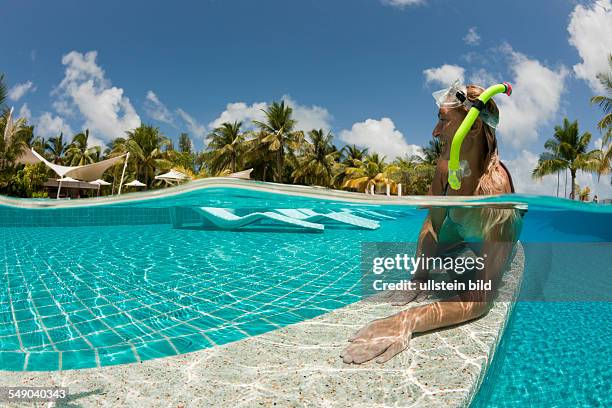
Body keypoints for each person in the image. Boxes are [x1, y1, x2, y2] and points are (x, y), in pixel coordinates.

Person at [341, 84, 523, 364]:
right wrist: (420, 278)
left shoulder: (495, 196)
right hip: (462, 227)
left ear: (472, 129)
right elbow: (432, 224)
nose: (435, 132)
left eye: (443, 120)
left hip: (497, 230)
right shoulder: (444, 166)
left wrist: (408, 319)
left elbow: (480, 297)